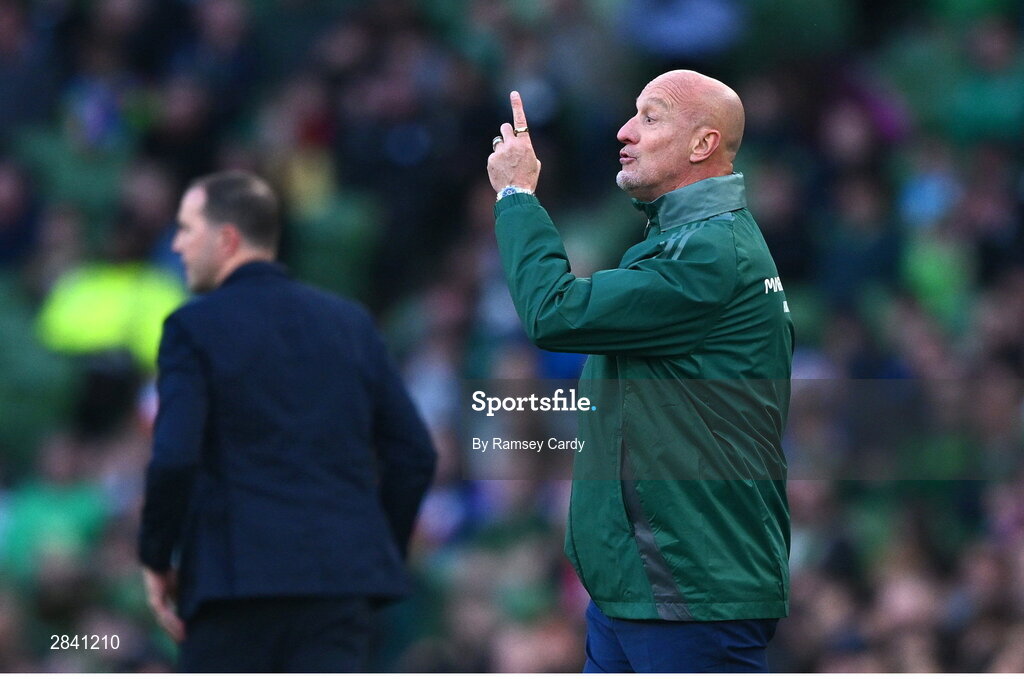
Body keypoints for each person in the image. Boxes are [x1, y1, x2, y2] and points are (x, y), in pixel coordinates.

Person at [487, 71, 793, 672]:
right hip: (642, 588)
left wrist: (517, 198)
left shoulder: (708, 253)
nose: (625, 132)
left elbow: (555, 313)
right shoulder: (681, 243)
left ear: (702, 145)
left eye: (650, 118)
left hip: (690, 590)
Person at [138, 170, 436, 672]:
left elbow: (173, 457)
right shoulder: (351, 324)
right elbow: (415, 455)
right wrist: (374, 551)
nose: (177, 244)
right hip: (339, 592)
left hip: (232, 589)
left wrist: (157, 556)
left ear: (227, 238)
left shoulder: (192, 327)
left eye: (187, 229)